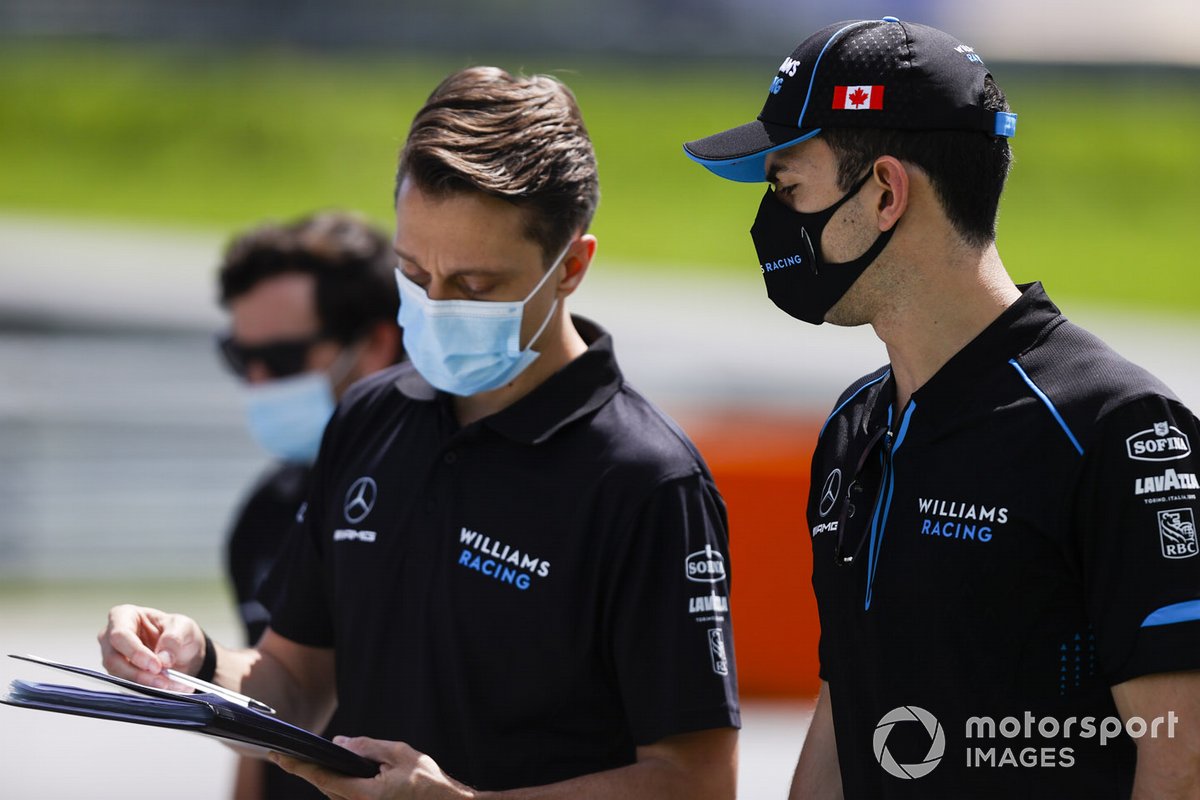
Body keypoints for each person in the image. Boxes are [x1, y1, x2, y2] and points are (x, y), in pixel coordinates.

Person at [99, 66, 740, 799]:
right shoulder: (370, 417)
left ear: (571, 267)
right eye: (412, 271)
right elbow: (298, 680)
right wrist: (198, 661)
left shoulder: (646, 479)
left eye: (473, 286)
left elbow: (696, 782)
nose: (434, 306)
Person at [682, 16, 1200, 799]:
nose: (771, 223)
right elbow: (845, 701)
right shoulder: (854, 428)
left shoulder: (1117, 430)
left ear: (886, 191)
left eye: (788, 188)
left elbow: (1183, 755)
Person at [214, 210, 405, 799]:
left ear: (375, 343)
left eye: (285, 358)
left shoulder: (450, 494)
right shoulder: (266, 511)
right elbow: (263, 717)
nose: (258, 381)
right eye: (239, 358)